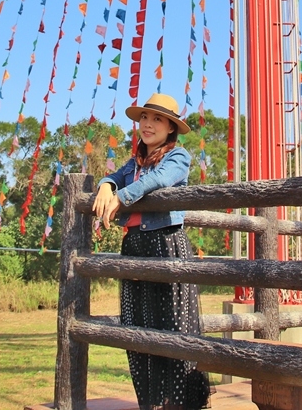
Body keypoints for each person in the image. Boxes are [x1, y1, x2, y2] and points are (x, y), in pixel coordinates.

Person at [92, 93, 212, 410]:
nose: (148, 124)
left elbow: (160, 180)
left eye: (157, 119)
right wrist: (106, 185)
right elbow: (114, 177)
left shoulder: (178, 157)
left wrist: (122, 196)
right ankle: (150, 401)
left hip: (166, 242)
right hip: (134, 245)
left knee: (173, 325)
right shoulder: (134, 163)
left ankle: (179, 402)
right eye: (145, 117)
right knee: (136, 325)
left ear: (171, 128)